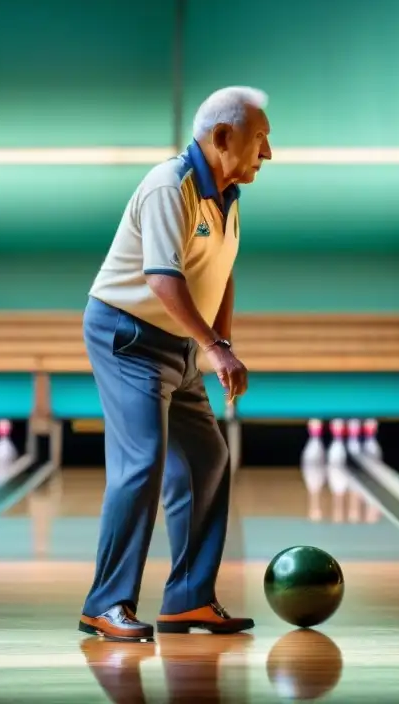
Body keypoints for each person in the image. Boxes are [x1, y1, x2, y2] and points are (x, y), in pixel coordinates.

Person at [78, 86, 272, 642]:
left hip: (179, 343)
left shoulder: (228, 195)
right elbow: (164, 279)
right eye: (260, 139)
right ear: (221, 137)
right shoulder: (172, 186)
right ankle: (105, 604)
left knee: (208, 456)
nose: (268, 152)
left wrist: (222, 343)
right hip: (128, 335)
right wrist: (214, 347)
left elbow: (222, 272)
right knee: (143, 462)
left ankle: (188, 599)